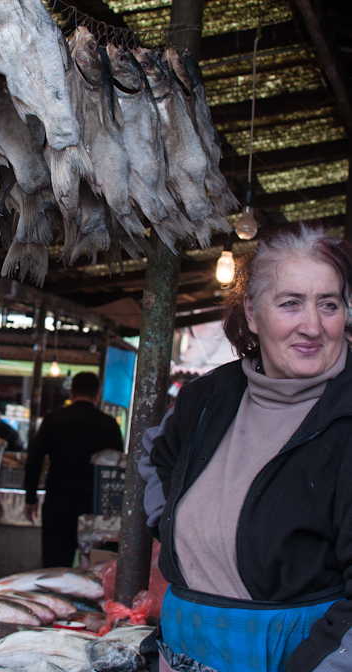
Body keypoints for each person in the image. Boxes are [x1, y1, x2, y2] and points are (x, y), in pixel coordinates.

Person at [139, 223, 352, 672]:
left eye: (328, 304)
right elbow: (156, 456)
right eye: (291, 303)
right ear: (253, 313)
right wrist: (172, 527)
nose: (312, 326)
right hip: (181, 648)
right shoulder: (209, 397)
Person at [24, 371, 123, 568]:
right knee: (96, 567)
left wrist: (31, 498)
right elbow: (119, 470)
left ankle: (53, 597)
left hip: (58, 502)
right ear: (97, 394)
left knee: (55, 566)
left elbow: (34, 459)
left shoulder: (53, 419)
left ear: (71, 393)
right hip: (94, 507)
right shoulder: (109, 425)